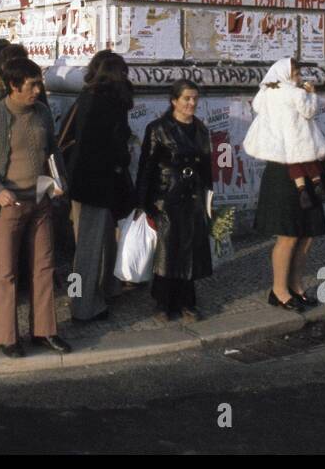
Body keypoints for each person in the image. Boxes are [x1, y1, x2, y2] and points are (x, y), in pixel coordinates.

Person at [0, 57, 70, 357]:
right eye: (32, 85)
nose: (37, 90)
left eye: (38, 83)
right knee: (6, 272)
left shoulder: (41, 113)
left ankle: (45, 331)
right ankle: (7, 336)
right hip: (9, 204)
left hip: (39, 200)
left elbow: (52, 149)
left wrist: (58, 180)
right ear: (14, 86)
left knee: (44, 267)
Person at [244, 59, 325, 310]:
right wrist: (311, 94)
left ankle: (294, 286)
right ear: (285, 73)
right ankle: (280, 290)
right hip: (287, 169)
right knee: (290, 234)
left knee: (306, 232)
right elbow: (309, 112)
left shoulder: (265, 95)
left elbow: (260, 107)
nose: (298, 75)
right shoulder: (294, 93)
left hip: (295, 166)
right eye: (296, 71)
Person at [63, 50, 136, 323]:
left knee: (96, 241)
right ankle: (82, 305)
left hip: (83, 180)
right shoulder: (109, 102)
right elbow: (113, 144)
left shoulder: (87, 96)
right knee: (88, 248)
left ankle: (106, 288)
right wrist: (123, 157)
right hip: (97, 182)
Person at [135, 79, 215, 322]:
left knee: (190, 249)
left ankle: (187, 302)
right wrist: (143, 203)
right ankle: (163, 302)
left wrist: (210, 196)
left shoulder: (201, 129)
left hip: (193, 196)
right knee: (167, 250)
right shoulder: (158, 128)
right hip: (165, 196)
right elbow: (146, 166)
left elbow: (206, 166)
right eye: (186, 99)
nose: (191, 103)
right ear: (174, 101)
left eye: (194, 98)